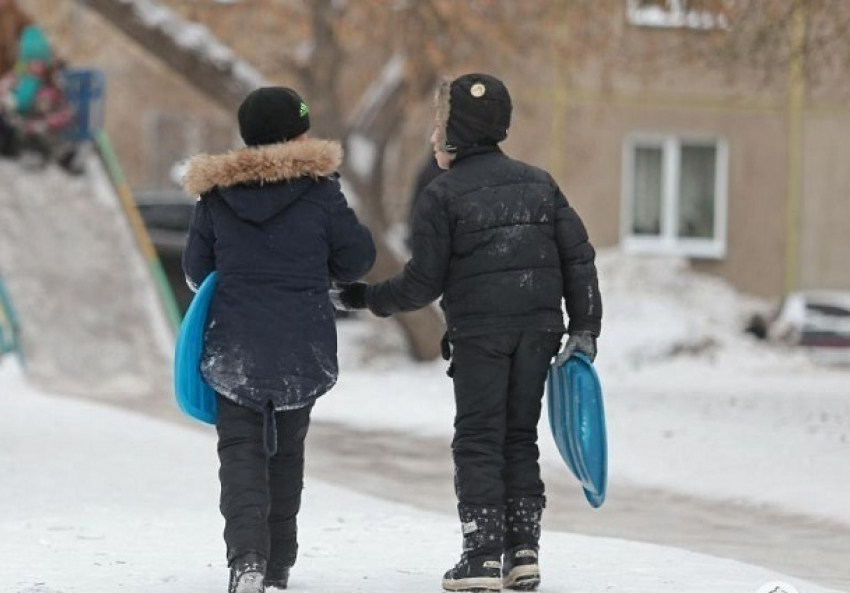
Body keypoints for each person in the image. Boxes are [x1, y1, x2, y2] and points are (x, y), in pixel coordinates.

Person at [331, 72, 602, 592]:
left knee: (479, 439)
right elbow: (579, 260)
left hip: (481, 334)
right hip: (540, 330)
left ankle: (480, 556)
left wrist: (368, 298)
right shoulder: (540, 183)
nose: (434, 136)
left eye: (440, 125)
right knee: (519, 437)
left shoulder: (442, 193)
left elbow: (422, 282)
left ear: (460, 131)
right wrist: (584, 327)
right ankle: (522, 553)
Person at [181, 86, 376, 593]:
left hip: (234, 344)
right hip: (300, 343)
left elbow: (197, 269)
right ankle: (278, 565)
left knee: (240, 451)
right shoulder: (322, 192)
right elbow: (357, 260)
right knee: (287, 451)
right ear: (295, 135)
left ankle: (246, 559)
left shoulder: (216, 197)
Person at [0, 24, 80, 172]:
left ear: (46, 62)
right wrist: (7, 99)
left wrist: (44, 122)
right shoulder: (20, 77)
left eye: (39, 61)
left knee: (40, 137)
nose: (35, 66)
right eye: (30, 61)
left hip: (39, 129)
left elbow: (65, 113)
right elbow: (5, 88)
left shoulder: (50, 85)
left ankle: (62, 157)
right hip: (18, 126)